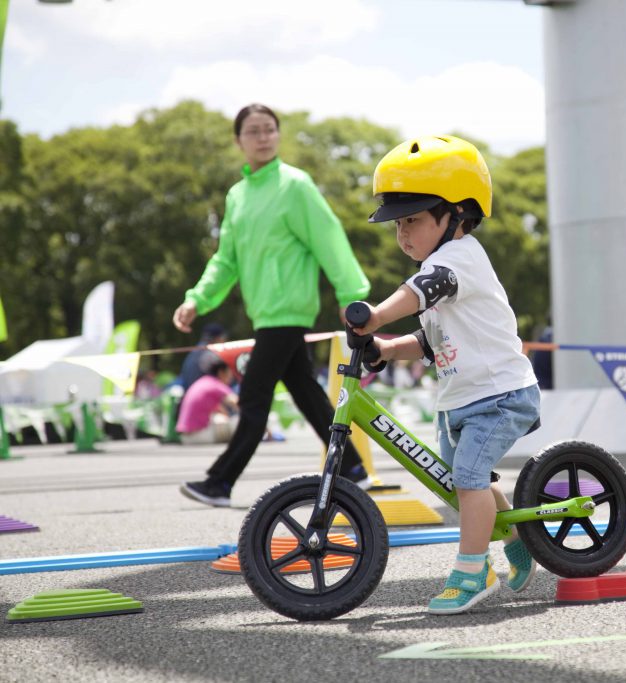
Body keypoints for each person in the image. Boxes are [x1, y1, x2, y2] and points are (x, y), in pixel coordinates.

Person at [351, 135, 541, 614]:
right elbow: (430, 340)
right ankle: (516, 541)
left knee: (470, 478)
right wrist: (385, 348)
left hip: (501, 396)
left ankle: (472, 572)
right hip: (462, 399)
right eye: (398, 224)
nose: (402, 234)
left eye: (412, 219)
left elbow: (418, 292)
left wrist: (375, 316)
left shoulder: (458, 259)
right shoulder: (441, 267)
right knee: (468, 480)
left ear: (456, 214)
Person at [173, 103, 371, 508]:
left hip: (289, 312)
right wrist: (196, 299)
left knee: (253, 397)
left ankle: (220, 482)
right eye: (253, 131)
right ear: (238, 140)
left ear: (278, 135)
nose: (262, 138)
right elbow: (226, 260)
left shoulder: (295, 186)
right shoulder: (237, 195)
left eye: (269, 130)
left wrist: (352, 297)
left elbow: (329, 240)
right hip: (265, 315)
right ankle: (353, 468)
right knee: (306, 392)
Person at [176, 358, 238, 445]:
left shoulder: (204, 382)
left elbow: (220, 411)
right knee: (236, 422)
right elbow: (237, 403)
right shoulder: (216, 385)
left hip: (185, 436)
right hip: (200, 436)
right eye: (229, 373)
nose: (231, 378)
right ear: (221, 372)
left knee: (219, 418)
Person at [179, 323, 229, 392]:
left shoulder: (194, 351)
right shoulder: (211, 354)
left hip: (190, 395)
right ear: (218, 338)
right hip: (202, 397)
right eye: (223, 338)